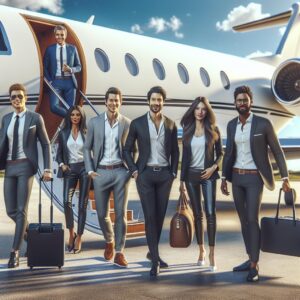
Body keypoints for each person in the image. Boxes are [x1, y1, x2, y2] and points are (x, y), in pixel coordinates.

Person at [221, 85, 290, 282]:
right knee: (243, 220)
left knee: (252, 219)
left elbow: (277, 151)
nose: (242, 103)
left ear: (251, 102)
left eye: (245, 100)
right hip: (237, 177)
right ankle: (249, 256)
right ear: (234, 103)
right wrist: (224, 178)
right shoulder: (232, 125)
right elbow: (228, 154)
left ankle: (254, 265)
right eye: (238, 100)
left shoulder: (263, 124)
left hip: (254, 178)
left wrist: (285, 178)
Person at [123, 86, 179, 277]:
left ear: (163, 102)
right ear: (148, 101)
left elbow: (175, 151)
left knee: (160, 217)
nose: (156, 103)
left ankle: (152, 252)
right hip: (145, 175)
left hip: (164, 176)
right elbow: (126, 149)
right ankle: (155, 261)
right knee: (150, 216)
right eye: (153, 99)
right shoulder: (137, 123)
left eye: (159, 100)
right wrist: (134, 170)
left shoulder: (171, 124)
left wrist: (173, 172)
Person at [0, 83, 52, 268]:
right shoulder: (6, 119)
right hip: (9, 167)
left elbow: (46, 144)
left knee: (21, 210)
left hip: (26, 166)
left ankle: (14, 252)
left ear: (25, 98)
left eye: (19, 97)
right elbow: (2, 143)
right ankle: (32, 236)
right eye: (13, 97)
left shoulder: (35, 118)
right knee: (10, 211)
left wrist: (48, 168)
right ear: (10, 99)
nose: (16, 100)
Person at [84, 87, 132, 267]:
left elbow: (132, 149)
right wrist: (90, 171)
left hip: (121, 172)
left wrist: (129, 170)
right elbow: (86, 148)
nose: (113, 103)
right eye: (110, 100)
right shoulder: (94, 122)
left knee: (121, 215)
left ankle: (120, 252)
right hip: (100, 172)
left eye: (116, 100)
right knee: (102, 214)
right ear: (105, 102)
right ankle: (109, 240)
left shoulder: (127, 123)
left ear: (121, 102)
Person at [180, 96, 223, 271]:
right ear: (193, 110)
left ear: (207, 112)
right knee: (198, 214)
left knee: (211, 213)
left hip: (208, 176)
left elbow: (221, 154)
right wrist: (181, 181)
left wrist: (213, 168)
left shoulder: (213, 129)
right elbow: (184, 158)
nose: (200, 112)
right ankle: (201, 250)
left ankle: (212, 253)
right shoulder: (187, 130)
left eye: (203, 109)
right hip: (191, 176)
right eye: (197, 108)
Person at [56, 105, 91, 254]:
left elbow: (92, 151)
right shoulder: (63, 133)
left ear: (81, 117)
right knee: (66, 201)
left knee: (82, 204)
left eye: (78, 115)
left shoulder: (87, 132)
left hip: (84, 168)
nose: (75, 117)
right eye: (72, 115)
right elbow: (59, 154)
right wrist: (62, 164)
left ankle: (80, 237)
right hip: (70, 169)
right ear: (69, 117)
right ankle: (71, 233)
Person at [44, 24, 81, 118]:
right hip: (56, 81)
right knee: (53, 107)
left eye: (62, 34)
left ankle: (72, 126)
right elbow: (44, 67)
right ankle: (74, 117)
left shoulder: (72, 49)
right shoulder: (50, 49)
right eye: (57, 34)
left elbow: (79, 66)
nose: (59, 37)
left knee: (70, 108)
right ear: (55, 35)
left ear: (66, 35)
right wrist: (50, 80)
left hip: (70, 82)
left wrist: (71, 69)